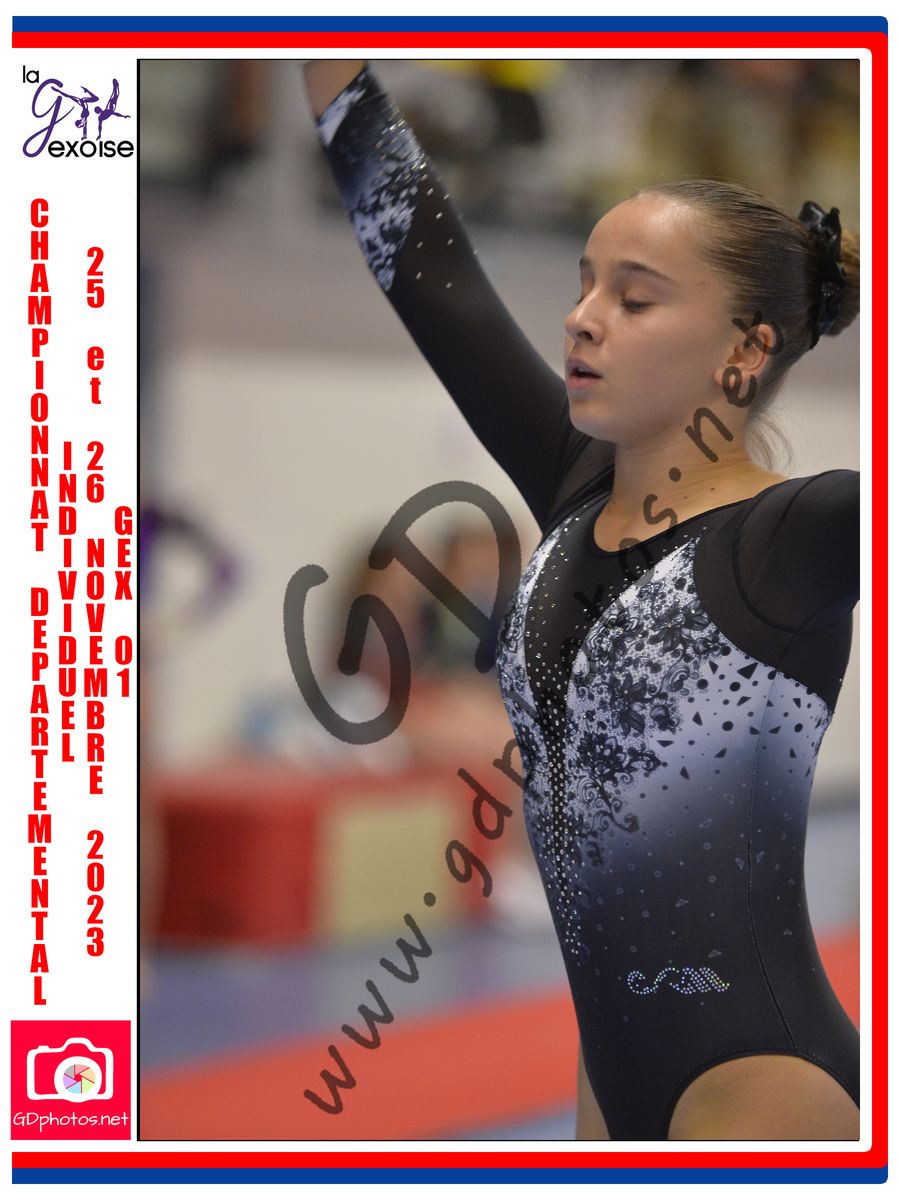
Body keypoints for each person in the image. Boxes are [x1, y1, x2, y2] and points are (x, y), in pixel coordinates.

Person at [301, 60, 861, 1141]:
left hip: (759, 1080)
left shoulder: (798, 533)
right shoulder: (571, 487)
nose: (583, 320)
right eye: (585, 285)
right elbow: (429, 268)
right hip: (608, 1078)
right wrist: (334, 77)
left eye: (635, 298)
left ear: (747, 350)